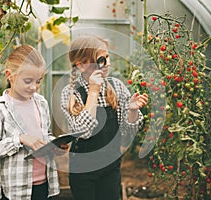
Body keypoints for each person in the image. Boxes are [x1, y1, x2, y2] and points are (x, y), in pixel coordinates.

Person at [60, 34, 149, 200]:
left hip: (110, 167)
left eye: (107, 57)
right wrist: (93, 91)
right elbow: (84, 132)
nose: (107, 63)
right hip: (82, 171)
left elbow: (127, 133)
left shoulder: (117, 87)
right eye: (100, 59)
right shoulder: (71, 93)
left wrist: (132, 111)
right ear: (81, 65)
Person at [0, 45, 66, 200]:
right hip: (16, 191)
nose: (34, 87)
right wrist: (19, 139)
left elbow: (44, 136)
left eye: (38, 81)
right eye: (28, 81)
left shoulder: (41, 103)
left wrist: (55, 144)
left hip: (45, 185)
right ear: (10, 75)